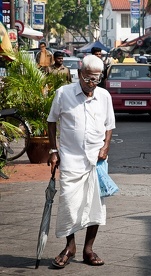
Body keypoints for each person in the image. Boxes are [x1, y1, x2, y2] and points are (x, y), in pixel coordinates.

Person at [47, 54, 116, 268]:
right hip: (70, 160)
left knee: (95, 206)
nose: (92, 83)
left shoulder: (104, 96)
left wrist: (105, 147)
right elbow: (51, 121)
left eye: (97, 79)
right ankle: (70, 247)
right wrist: (53, 150)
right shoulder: (63, 93)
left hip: (96, 162)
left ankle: (88, 249)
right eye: (88, 79)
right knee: (69, 204)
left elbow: (109, 125)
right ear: (79, 74)